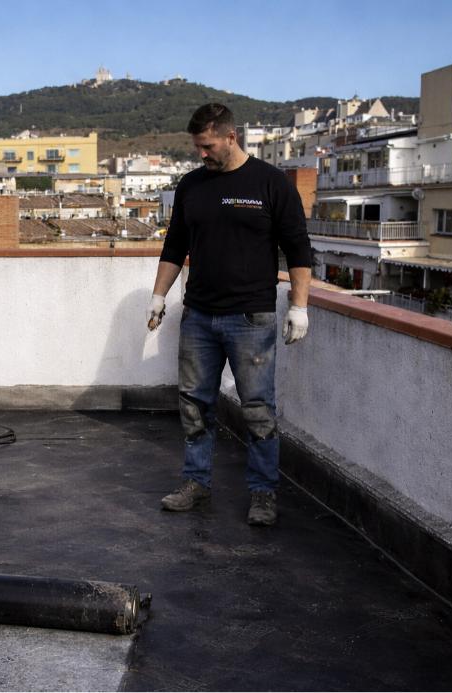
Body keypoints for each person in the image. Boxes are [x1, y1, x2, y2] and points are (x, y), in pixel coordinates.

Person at [147, 103, 313, 526]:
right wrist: (158, 296)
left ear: (230, 137)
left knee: (257, 409)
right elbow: (174, 246)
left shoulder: (271, 183)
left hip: (251, 319)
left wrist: (299, 306)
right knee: (194, 405)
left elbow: (298, 249)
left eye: (207, 146)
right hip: (199, 316)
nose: (201, 154)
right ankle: (196, 484)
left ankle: (262, 494)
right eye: (197, 147)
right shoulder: (191, 186)